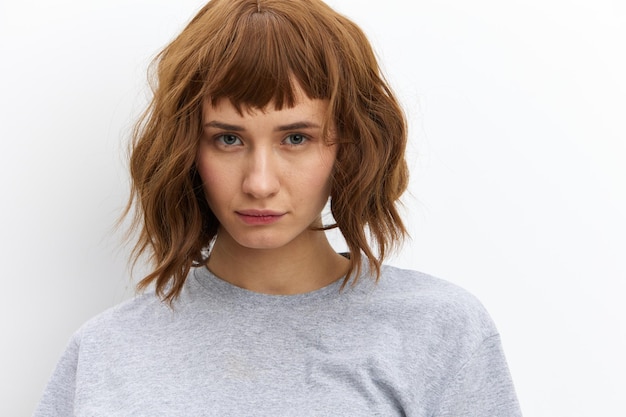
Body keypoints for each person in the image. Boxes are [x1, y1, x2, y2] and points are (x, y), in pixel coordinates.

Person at [34, 0, 522, 415]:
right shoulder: (106, 352)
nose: (260, 183)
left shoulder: (438, 332)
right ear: (186, 150)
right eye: (228, 138)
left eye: (295, 138)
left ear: (348, 145)